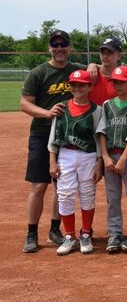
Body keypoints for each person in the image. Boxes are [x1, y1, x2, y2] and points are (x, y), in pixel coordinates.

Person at [21, 29, 87, 253]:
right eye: (55, 45)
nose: (59, 49)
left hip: (67, 138)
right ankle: (31, 232)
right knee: (39, 185)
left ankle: (55, 229)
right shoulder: (39, 73)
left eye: (63, 45)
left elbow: (93, 72)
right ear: (49, 47)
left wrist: (95, 66)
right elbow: (25, 104)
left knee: (62, 187)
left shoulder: (76, 71)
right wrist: (47, 113)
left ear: (69, 47)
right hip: (41, 133)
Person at [48, 70, 104, 255]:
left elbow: (99, 138)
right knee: (65, 194)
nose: (77, 88)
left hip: (88, 155)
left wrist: (99, 163)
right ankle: (70, 236)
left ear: (90, 87)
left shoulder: (97, 110)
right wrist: (52, 162)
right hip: (65, 154)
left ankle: (86, 233)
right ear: (69, 86)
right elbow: (54, 137)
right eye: (74, 84)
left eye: (82, 84)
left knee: (87, 192)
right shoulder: (61, 108)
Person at [96, 66, 127, 253]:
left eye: (122, 82)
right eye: (115, 82)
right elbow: (101, 132)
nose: (117, 85)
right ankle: (114, 233)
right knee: (112, 198)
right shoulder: (107, 105)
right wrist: (106, 156)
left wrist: (123, 158)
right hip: (110, 158)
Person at [89, 37, 123, 105]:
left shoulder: (123, 78)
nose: (105, 56)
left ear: (119, 55)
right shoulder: (90, 73)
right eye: (103, 52)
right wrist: (92, 65)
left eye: (109, 53)